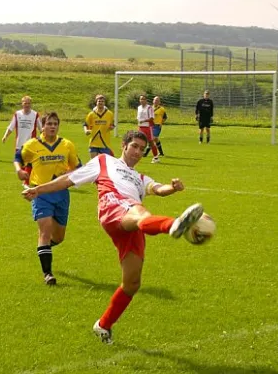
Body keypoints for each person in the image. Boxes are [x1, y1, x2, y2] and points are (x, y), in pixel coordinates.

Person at [22, 130, 203, 344]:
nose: (137, 152)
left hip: (131, 224)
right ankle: (173, 225)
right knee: (140, 212)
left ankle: (103, 325)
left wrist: (172, 187)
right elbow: (68, 180)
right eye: (134, 146)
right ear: (124, 146)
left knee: (132, 283)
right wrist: (39, 190)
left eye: (141, 149)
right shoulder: (104, 161)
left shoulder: (140, 178)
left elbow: (158, 189)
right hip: (113, 207)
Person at [14, 112, 82, 286]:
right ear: (42, 126)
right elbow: (17, 157)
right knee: (44, 231)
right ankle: (48, 274)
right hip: (40, 193)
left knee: (58, 237)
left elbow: (77, 166)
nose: (52, 126)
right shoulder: (32, 145)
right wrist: (19, 170)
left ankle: (44, 250)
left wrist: (71, 173)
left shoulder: (67, 145)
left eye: (55, 123)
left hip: (61, 194)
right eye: (49, 123)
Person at [2, 95, 43, 186]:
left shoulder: (35, 115)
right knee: (21, 164)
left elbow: (41, 129)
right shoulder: (17, 114)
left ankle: (26, 183)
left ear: (31, 104)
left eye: (28, 103)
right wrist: (5, 136)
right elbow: (11, 127)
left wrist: (43, 139)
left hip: (31, 144)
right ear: (22, 104)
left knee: (29, 163)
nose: (27, 105)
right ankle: (27, 180)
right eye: (25, 103)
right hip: (19, 144)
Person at [83, 94, 115, 159]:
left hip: (105, 143)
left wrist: (111, 127)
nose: (100, 103)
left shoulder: (110, 114)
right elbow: (85, 125)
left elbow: (112, 125)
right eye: (99, 101)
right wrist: (86, 130)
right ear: (96, 102)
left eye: (102, 101)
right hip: (93, 142)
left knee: (105, 164)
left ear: (104, 103)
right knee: (93, 164)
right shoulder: (91, 114)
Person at [136, 95, 160, 163]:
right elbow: (138, 117)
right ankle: (139, 155)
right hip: (140, 127)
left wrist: (143, 121)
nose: (142, 100)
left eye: (143, 99)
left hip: (147, 127)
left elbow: (152, 118)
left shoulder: (149, 107)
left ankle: (156, 157)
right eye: (141, 99)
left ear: (146, 100)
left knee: (151, 142)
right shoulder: (139, 107)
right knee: (139, 141)